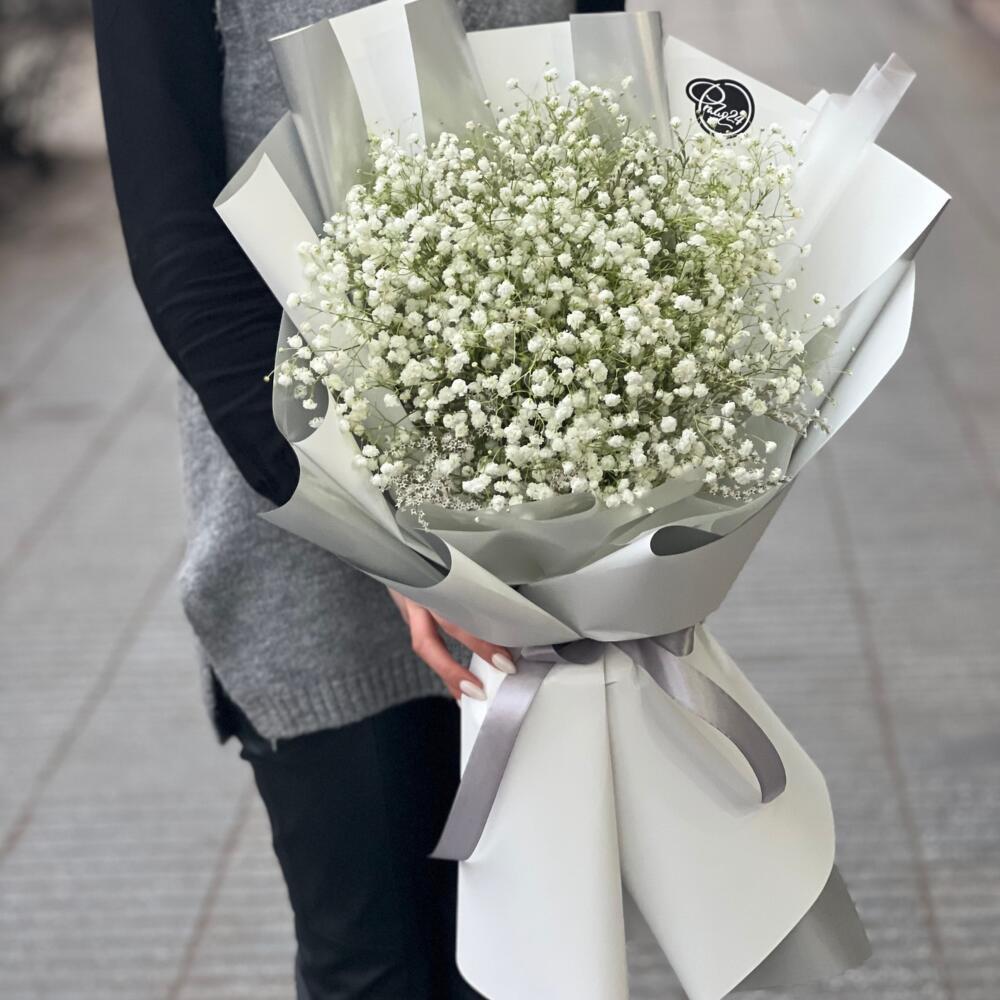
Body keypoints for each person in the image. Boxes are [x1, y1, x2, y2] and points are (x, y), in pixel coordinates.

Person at [92, 1, 622, 997]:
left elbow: (620, 125)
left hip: (557, 541)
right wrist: (398, 531)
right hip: (311, 567)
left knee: (546, 967)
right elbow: (182, 253)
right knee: (379, 967)